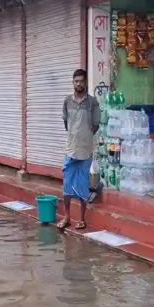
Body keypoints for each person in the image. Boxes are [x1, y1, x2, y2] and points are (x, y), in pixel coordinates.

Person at [57, 69, 101, 231]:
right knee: (67, 186)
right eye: (76, 81)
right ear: (73, 83)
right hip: (70, 150)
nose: (79, 84)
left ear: (86, 82)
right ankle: (67, 217)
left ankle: (81, 219)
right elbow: (66, 123)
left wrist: (85, 136)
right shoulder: (67, 101)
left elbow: (96, 125)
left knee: (82, 185)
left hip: (85, 151)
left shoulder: (92, 103)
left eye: (81, 81)